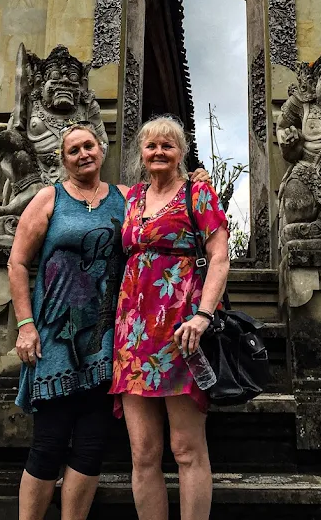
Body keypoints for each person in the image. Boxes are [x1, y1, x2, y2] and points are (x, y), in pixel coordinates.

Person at [110, 116, 230, 520]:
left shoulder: (198, 193)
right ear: (141, 154)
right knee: (143, 452)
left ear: (181, 152)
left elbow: (219, 258)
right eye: (151, 146)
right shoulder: (131, 198)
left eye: (168, 145)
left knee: (186, 448)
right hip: (132, 335)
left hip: (183, 331)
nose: (159, 152)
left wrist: (204, 316)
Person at [8, 123, 127, 520]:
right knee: (49, 442)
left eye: (88, 146)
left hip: (106, 340)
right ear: (63, 160)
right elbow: (17, 262)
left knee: (92, 446)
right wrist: (25, 325)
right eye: (73, 150)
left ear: (101, 149)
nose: (83, 154)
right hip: (54, 338)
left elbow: (168, 203)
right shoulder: (50, 198)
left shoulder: (125, 198)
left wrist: (195, 180)